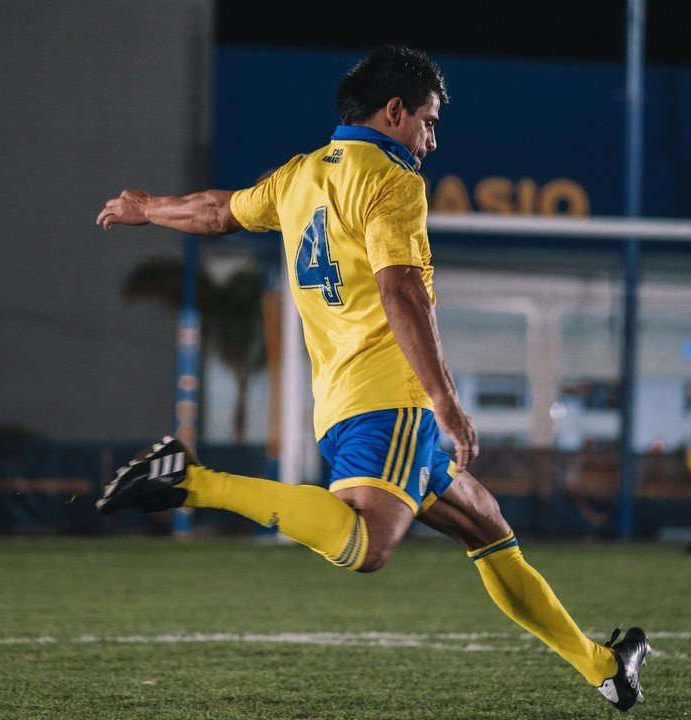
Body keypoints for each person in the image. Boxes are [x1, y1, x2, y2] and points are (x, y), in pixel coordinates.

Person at [95, 44, 648, 712]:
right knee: (367, 547)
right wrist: (445, 402)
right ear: (394, 111)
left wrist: (147, 207)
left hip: (343, 404)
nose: (432, 139)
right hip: (394, 397)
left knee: (487, 527)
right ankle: (189, 481)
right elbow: (402, 292)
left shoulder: (302, 175)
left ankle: (602, 667)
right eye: (429, 121)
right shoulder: (392, 179)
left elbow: (217, 212)